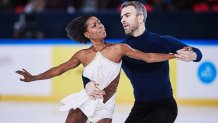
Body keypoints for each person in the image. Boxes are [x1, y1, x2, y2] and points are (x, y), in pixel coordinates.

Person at [15, 15, 178, 123]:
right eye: (94, 25)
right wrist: (34, 77)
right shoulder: (83, 55)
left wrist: (174, 56)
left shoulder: (119, 49)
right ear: (87, 34)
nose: (100, 26)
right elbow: (58, 70)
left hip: (105, 105)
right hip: (85, 99)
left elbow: (148, 57)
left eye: (100, 22)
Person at [83, 1, 203, 123]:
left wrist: (192, 55)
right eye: (121, 17)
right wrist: (87, 83)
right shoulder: (121, 49)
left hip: (165, 107)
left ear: (140, 18)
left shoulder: (162, 41)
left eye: (127, 15)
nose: (122, 20)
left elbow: (198, 53)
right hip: (140, 108)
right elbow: (93, 68)